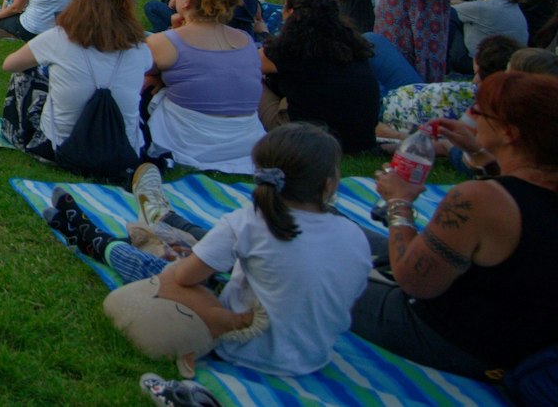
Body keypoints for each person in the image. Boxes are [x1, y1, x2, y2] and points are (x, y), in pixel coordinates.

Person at [65, 124, 370, 380]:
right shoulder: (354, 235)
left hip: (240, 343)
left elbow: (185, 278)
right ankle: (147, 235)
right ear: (328, 185)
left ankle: (99, 240)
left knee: (165, 274)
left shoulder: (249, 222)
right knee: (206, 261)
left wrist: (188, 264)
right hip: (312, 355)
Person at [350, 71, 558, 380]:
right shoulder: (531, 188)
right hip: (521, 336)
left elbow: (414, 281)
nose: (470, 115)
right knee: (343, 234)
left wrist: (399, 201)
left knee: (313, 268)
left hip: (454, 340)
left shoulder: (477, 200)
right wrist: (477, 152)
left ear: (508, 133)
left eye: (479, 111)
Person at [1, 0, 153, 164]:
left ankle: (18, 134)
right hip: (123, 149)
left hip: (61, 148)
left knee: (24, 73)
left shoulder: (57, 38)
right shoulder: (139, 47)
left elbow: (10, 64)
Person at [142, 0, 267, 173]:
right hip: (246, 141)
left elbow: (137, 70)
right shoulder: (245, 40)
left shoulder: (165, 42)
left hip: (190, 141)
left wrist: (158, 74)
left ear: (187, 1)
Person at [258, 0, 380, 151]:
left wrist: (262, 32)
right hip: (359, 138)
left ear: (292, 12)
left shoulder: (289, 48)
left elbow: (246, 63)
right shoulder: (351, 43)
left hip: (307, 136)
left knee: (251, 78)